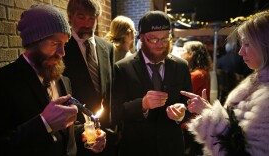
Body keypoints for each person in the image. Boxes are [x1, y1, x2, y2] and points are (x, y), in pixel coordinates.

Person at [0, 4, 105, 156]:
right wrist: (43, 124)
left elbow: (64, 130)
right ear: (33, 42)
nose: (62, 53)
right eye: (55, 44)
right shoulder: (2, 82)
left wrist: (85, 135)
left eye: (64, 44)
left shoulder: (63, 80)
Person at [180, 10, 269, 156]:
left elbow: (244, 150)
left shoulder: (265, 96)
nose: (240, 52)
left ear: (265, 46)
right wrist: (209, 110)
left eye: (247, 44)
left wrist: (208, 113)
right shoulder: (256, 81)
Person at [112, 11, 192, 156]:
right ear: (141, 38)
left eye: (165, 38)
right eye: (153, 39)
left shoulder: (181, 66)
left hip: (172, 147)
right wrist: (142, 104)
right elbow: (115, 112)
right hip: (137, 148)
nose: (160, 44)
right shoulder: (122, 68)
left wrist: (182, 112)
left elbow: (189, 104)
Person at [63, 0, 116, 155]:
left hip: (107, 132)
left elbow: (111, 88)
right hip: (78, 135)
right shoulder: (61, 48)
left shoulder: (107, 47)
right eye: (81, 17)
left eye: (91, 18)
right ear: (70, 17)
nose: (87, 23)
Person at [180, 40, 212, 156]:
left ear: (191, 54)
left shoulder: (196, 75)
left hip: (190, 121)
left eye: (184, 50)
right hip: (195, 120)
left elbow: (183, 95)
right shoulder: (203, 72)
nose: (181, 53)